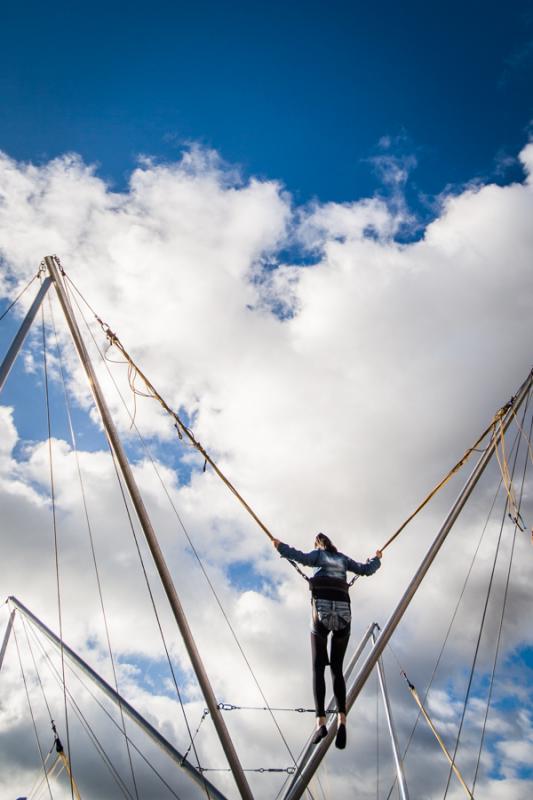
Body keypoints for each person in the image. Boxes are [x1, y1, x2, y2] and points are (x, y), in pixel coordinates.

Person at [272, 532, 382, 749]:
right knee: (337, 670)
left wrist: (279, 546)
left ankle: (320, 722)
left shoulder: (318, 556)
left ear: (318, 545)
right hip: (344, 614)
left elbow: (299, 556)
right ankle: (342, 719)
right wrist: (376, 558)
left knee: (318, 668)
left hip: (321, 611)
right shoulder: (343, 559)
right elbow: (366, 570)